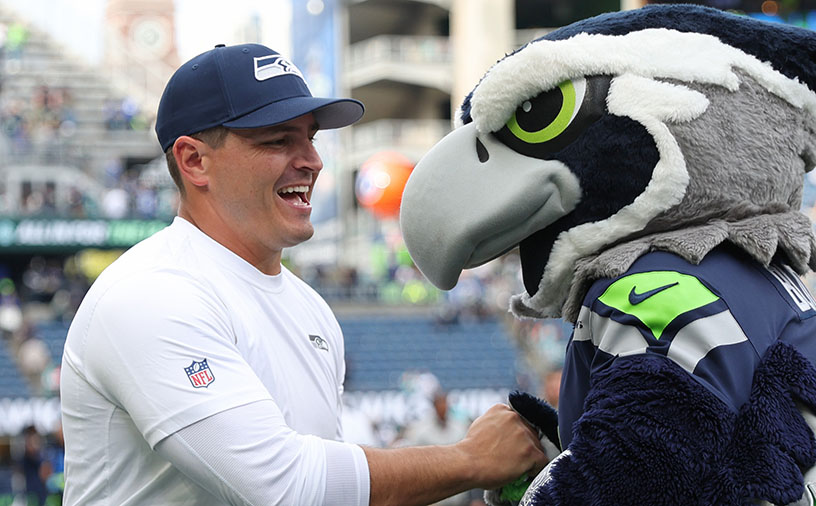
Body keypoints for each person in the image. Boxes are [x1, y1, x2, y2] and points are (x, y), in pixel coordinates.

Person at [59, 43, 547, 506]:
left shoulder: (308, 306)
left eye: (310, 139)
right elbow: (287, 488)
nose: (312, 161)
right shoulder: (150, 293)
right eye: (277, 140)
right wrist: (470, 459)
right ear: (194, 161)